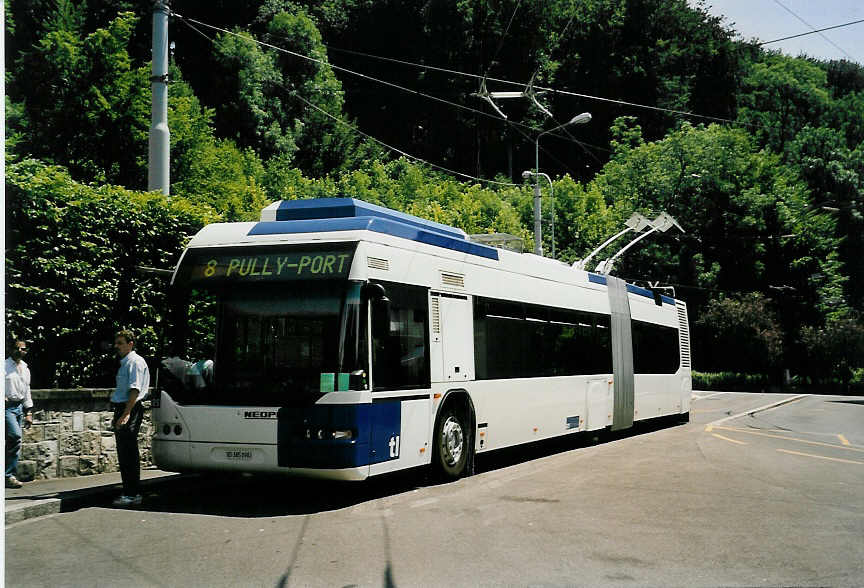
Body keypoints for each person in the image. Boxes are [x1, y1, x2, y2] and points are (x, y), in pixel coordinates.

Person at [111, 329, 150, 507]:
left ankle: (132, 493)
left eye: (120, 343)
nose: (116, 346)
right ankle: (130, 492)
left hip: (130, 408)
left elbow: (134, 390)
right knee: (125, 452)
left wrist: (126, 414)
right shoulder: (126, 362)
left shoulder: (134, 362)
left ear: (130, 343)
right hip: (125, 407)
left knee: (128, 453)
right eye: (116, 343)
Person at [5, 339, 33, 488]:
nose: (20, 351)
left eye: (23, 349)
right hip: (6, 408)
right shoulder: (4, 366)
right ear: (11, 349)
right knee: (15, 437)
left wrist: (28, 411)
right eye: (17, 348)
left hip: (19, 408)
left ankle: (7, 475)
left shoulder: (25, 368)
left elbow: (27, 390)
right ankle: (8, 476)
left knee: (13, 442)